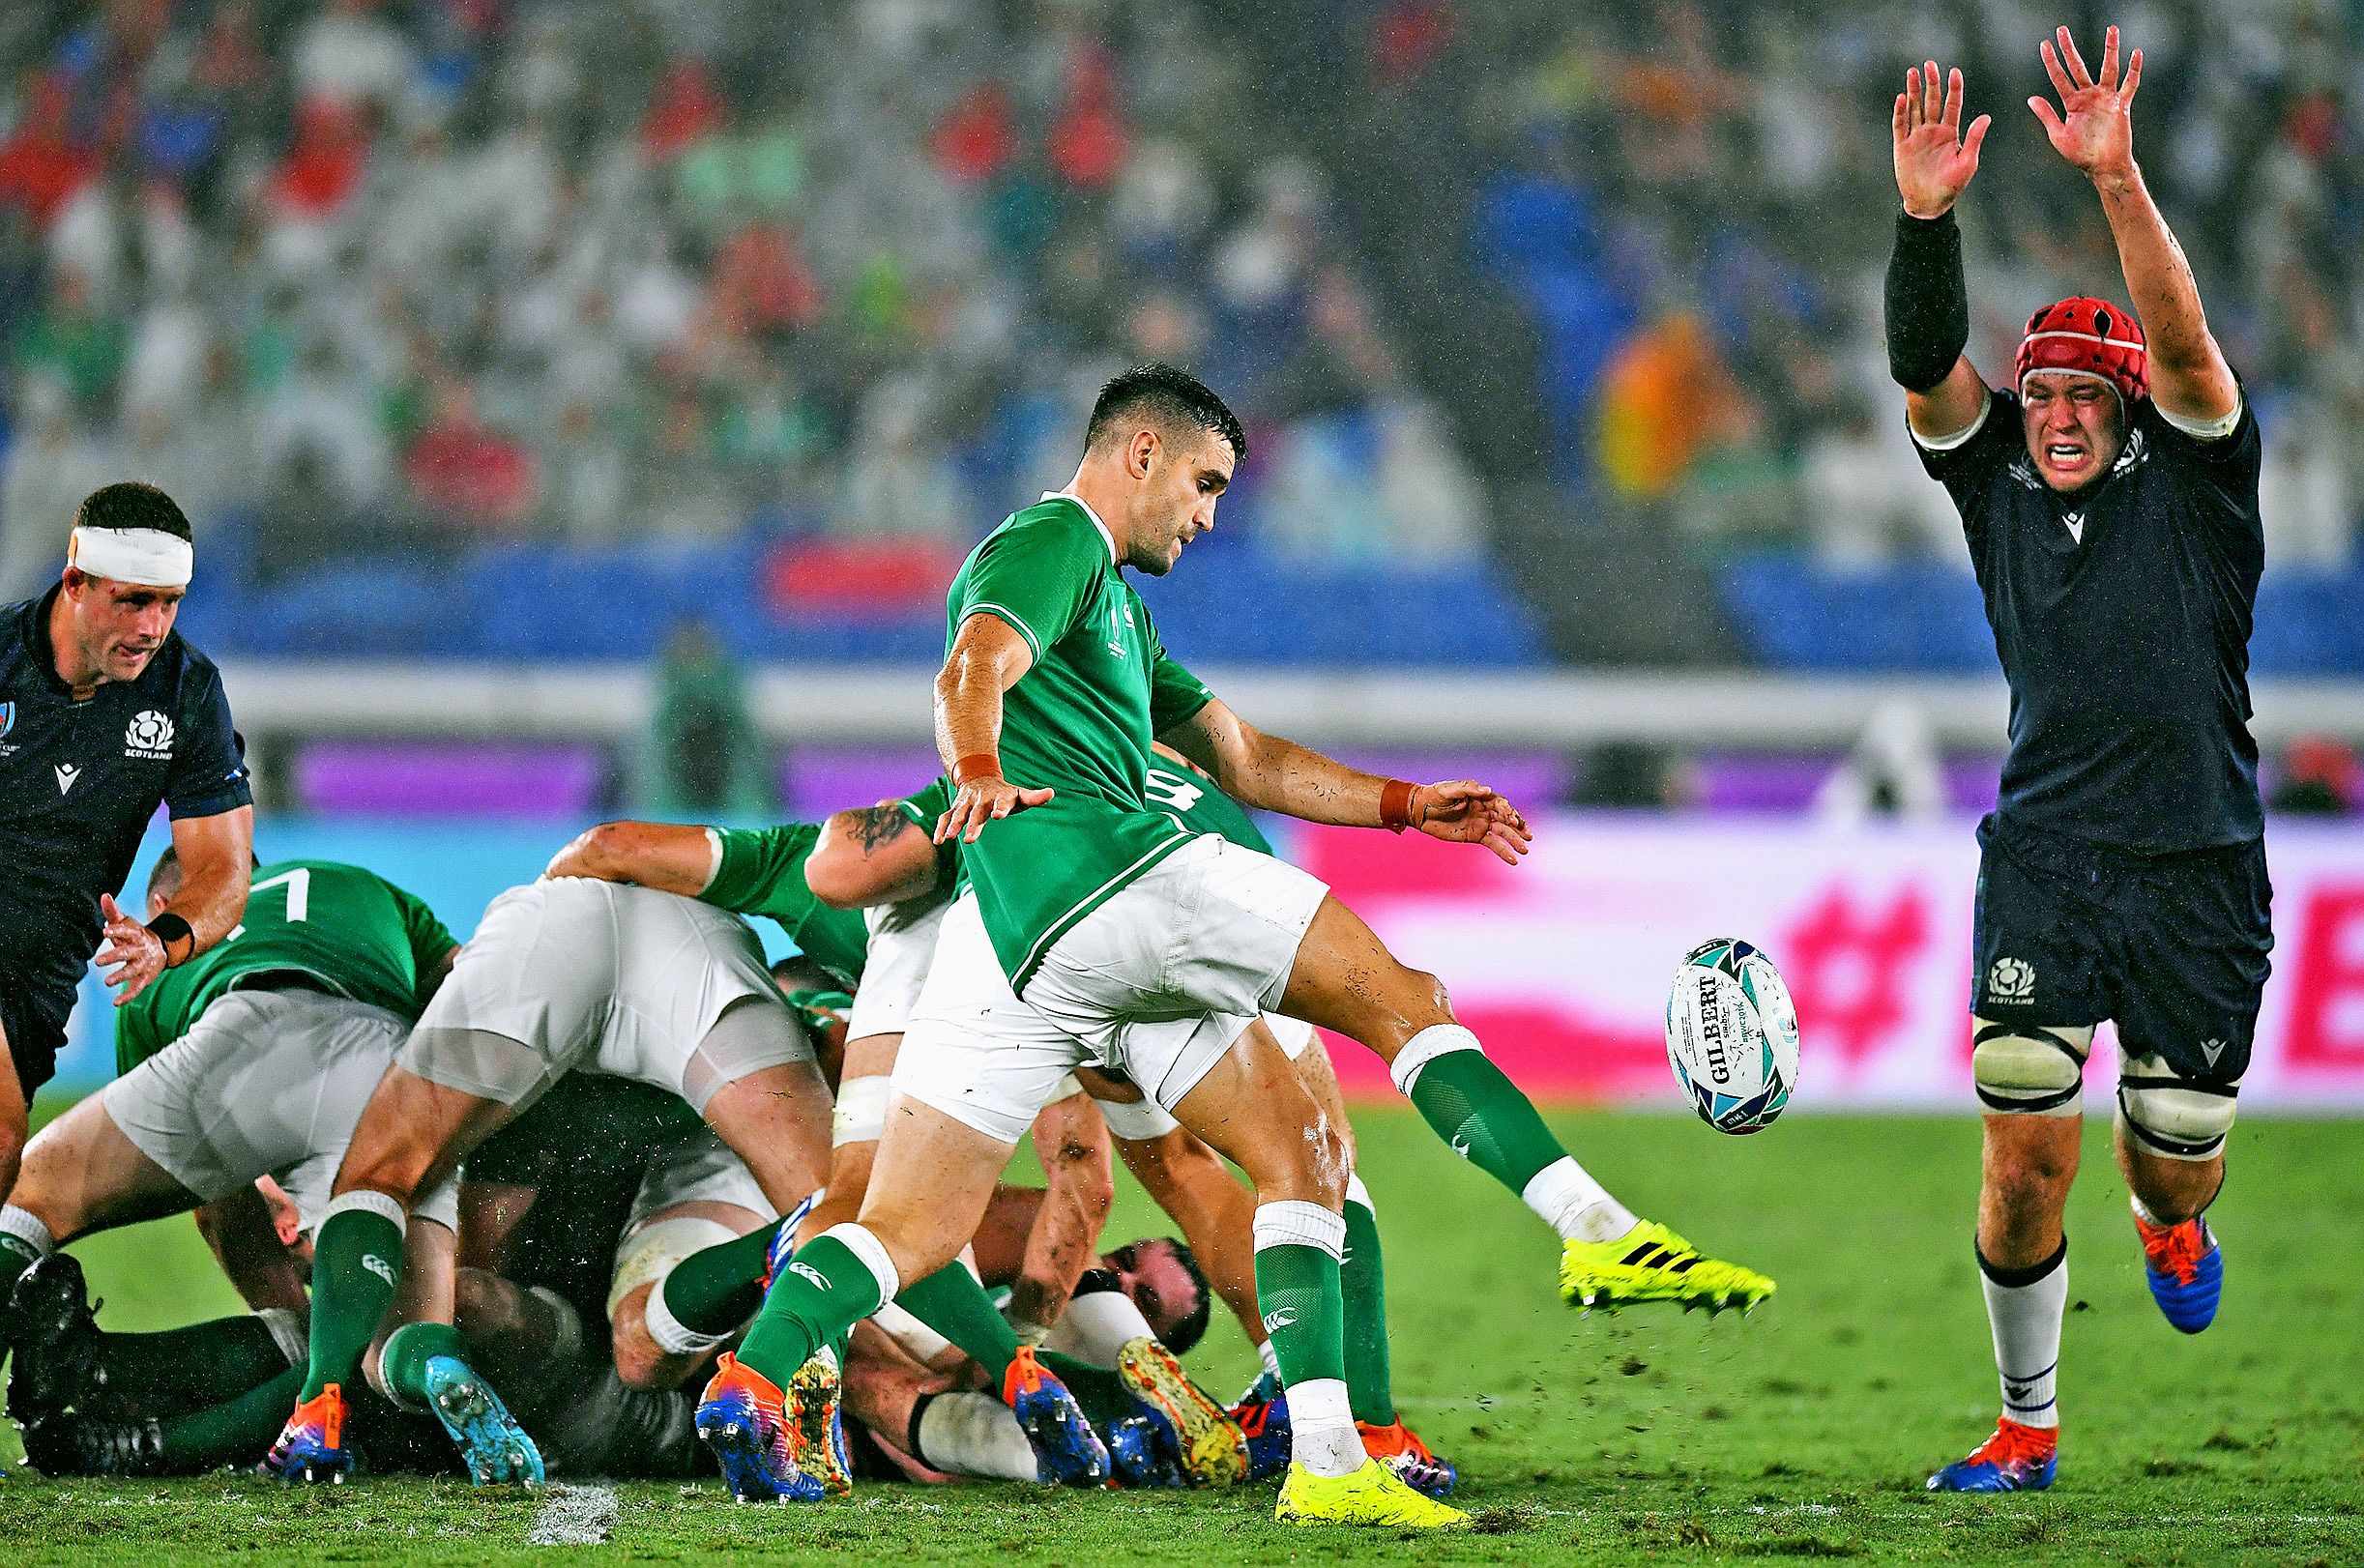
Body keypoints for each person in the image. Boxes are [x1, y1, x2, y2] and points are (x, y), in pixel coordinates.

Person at [707, 363, 1768, 1530]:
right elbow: (973, 663)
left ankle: (752, 1378)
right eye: (1205, 484)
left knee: (918, 1225)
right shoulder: (1052, 542)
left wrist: (1408, 804)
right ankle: (1594, 1232)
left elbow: (1247, 757)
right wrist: (974, 767)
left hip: (1017, 955)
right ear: (1142, 454)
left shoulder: (1114, 612)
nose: (1209, 515)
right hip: (1121, 875)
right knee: (1395, 998)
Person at [1884, 29, 2271, 1494]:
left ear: (2124, 423)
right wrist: (1925, 217)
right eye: (2034, 395)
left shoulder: (2199, 486)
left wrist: (2113, 179)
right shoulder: (1990, 482)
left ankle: (2173, 1216)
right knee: (2020, 1142)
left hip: (2197, 866)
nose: (2046, 414)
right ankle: (2027, 1421)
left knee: (2170, 1149)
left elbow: (2182, 344)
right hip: (2045, 854)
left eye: (2076, 401)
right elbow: (1927, 366)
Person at [255, 871, 836, 1488]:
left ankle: (325, 1399)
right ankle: (787, 1294)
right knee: (832, 1225)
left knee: (414, 1240)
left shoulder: (460, 1056)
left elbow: (478, 1251)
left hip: (555, 957)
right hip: (689, 1009)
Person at [0, 482, 254, 1306]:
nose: (151, 627)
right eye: (133, 601)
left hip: (38, 975)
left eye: (170, 604)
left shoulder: (186, 694)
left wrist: (166, 938)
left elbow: (221, 867)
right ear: (75, 582)